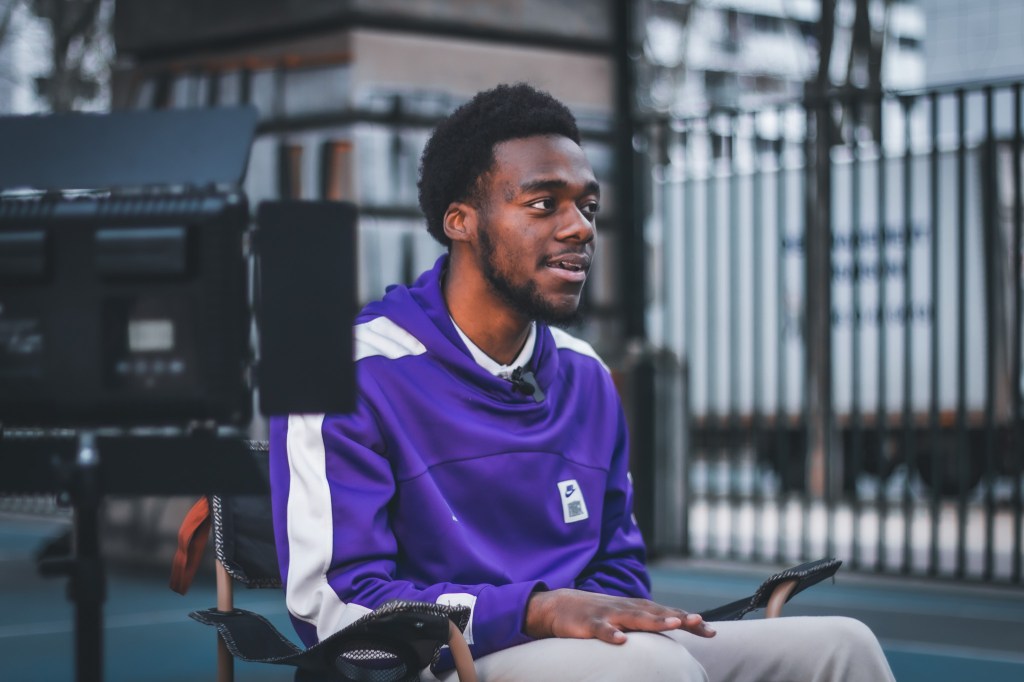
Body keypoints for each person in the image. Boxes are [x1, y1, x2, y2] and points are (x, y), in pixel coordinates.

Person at [269, 83, 896, 681]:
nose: (580, 227)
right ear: (460, 220)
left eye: (587, 206)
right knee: (652, 666)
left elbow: (619, 569)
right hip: (430, 661)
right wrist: (532, 611)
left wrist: (579, 616)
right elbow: (334, 612)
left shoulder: (587, 375)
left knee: (841, 645)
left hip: (579, 653)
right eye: (543, 203)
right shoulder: (341, 371)